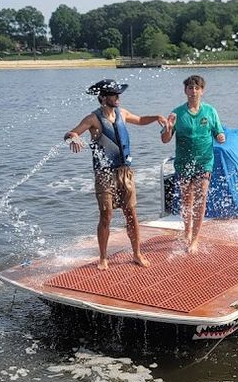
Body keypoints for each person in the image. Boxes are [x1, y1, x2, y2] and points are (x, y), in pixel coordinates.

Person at [64, 80, 167, 270]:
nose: (117, 97)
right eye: (113, 94)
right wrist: (75, 137)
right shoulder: (93, 119)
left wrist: (156, 117)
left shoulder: (122, 113)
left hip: (125, 172)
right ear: (103, 97)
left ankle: (136, 253)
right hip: (104, 174)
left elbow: (140, 120)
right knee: (106, 215)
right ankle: (103, 258)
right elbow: (70, 133)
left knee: (132, 214)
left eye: (118, 94)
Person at [161, 74, 225, 253]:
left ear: (202, 91)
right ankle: (187, 230)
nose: (193, 91)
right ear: (185, 91)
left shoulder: (210, 111)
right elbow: (165, 140)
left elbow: (218, 132)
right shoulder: (177, 113)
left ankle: (195, 239)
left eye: (197, 88)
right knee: (186, 199)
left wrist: (221, 137)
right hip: (184, 162)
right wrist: (167, 128)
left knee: (201, 197)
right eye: (190, 88)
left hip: (204, 162)